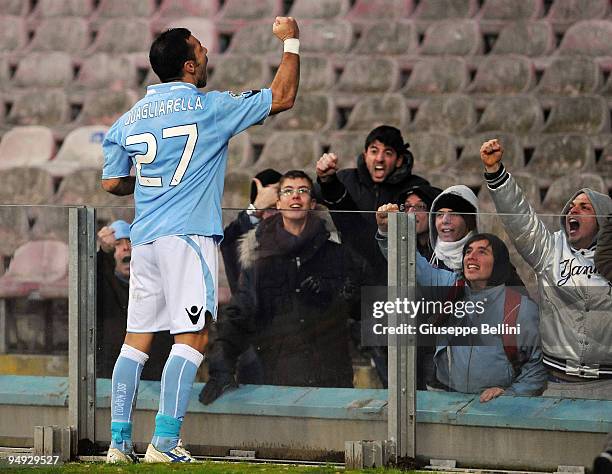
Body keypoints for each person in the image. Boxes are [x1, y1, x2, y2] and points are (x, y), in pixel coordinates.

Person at [101, 18, 300, 464]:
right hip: (188, 238)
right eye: (202, 50)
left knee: (135, 342)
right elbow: (283, 96)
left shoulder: (127, 120)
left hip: (147, 239)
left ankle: (117, 444)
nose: (208, 54)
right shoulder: (209, 107)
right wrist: (291, 40)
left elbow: (113, 182)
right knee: (191, 339)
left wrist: (152, 182)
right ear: (190, 67)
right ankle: (164, 443)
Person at [199, 170, 369, 404]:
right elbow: (237, 317)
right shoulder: (259, 260)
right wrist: (221, 369)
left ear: (313, 203)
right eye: (288, 191)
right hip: (275, 382)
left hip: (330, 383)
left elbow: (362, 306)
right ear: (278, 203)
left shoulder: (337, 255)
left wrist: (338, 294)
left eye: (303, 191)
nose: (295, 197)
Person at [480, 139, 612, 399]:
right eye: (571, 207)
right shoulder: (551, 250)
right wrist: (497, 175)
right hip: (556, 384)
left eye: (585, 207)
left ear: (605, 220)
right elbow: (521, 220)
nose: (574, 210)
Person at [416, 233, 547, 401]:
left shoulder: (519, 308)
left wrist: (510, 395)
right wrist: (387, 231)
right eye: (468, 251)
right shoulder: (452, 289)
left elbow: (537, 367)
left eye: (482, 252)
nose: (471, 257)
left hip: (495, 409)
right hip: (447, 400)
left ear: (498, 262)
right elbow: (414, 266)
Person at [315, 125, 429, 283]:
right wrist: (325, 180)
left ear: (399, 160)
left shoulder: (417, 188)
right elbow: (308, 200)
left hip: (398, 278)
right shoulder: (344, 179)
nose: (379, 158)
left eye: (388, 153)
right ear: (365, 154)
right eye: (374, 151)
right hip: (350, 277)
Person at [96, 220, 172, 380]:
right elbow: (94, 281)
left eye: (130, 242)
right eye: (117, 244)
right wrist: (104, 254)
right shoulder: (104, 287)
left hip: (153, 376)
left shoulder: (158, 285)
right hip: (111, 375)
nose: (126, 247)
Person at [221, 168, 281, 294]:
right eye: (270, 208)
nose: (277, 211)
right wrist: (256, 208)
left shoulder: (298, 231)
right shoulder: (237, 236)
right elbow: (230, 239)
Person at [375, 185, 442, 260]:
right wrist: (384, 230)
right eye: (407, 206)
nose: (411, 212)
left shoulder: (447, 250)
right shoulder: (405, 243)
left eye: (420, 206)